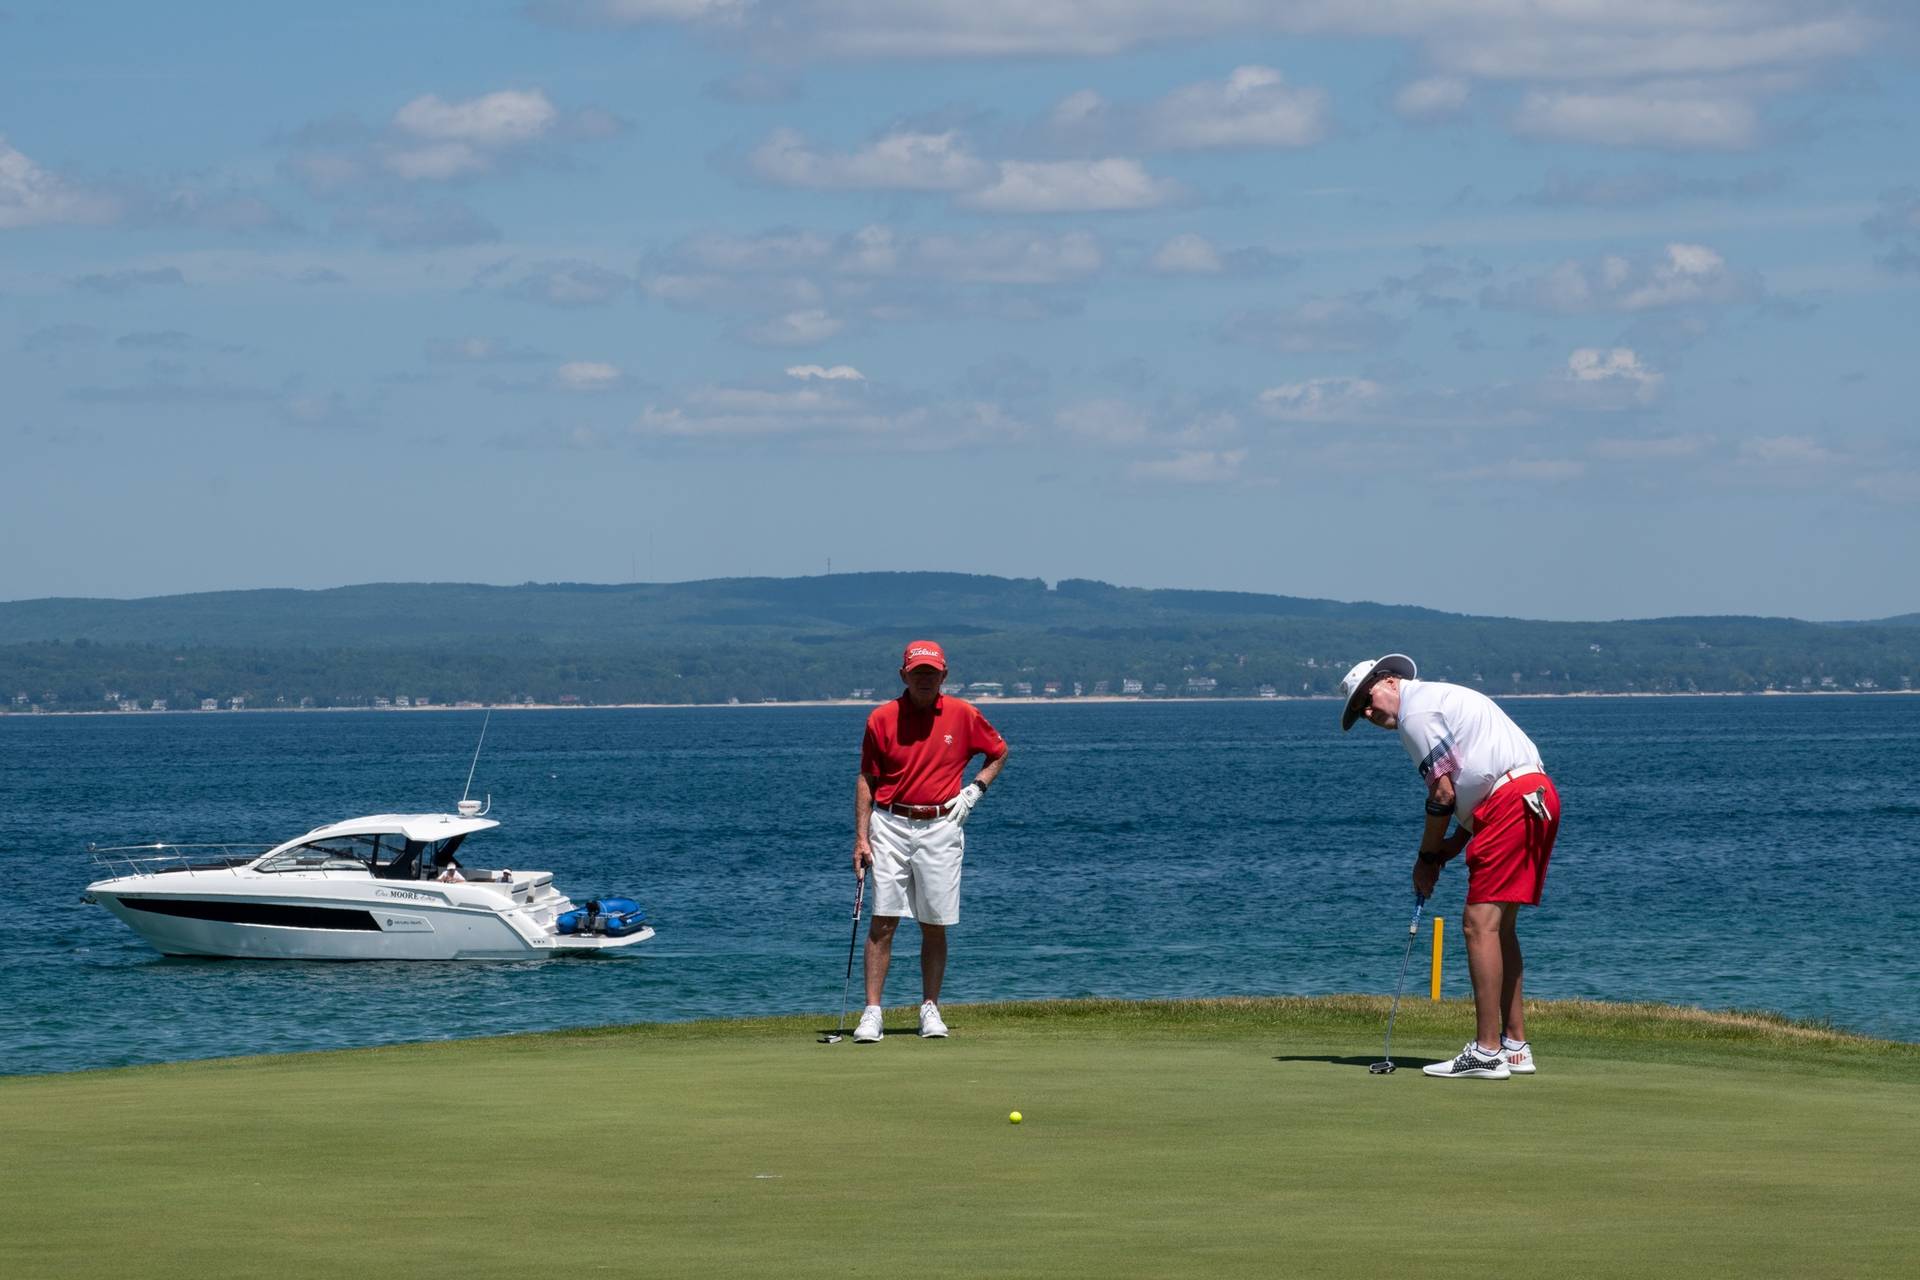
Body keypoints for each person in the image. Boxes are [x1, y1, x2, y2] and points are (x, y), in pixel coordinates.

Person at [1339, 654, 1562, 1080]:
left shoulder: (1416, 712)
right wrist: (1451, 846)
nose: (1368, 713)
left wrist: (1425, 859)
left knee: (1478, 924)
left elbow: (1442, 794)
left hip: (1510, 804)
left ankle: (1486, 1051)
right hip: (1536, 797)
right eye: (1360, 712)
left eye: (1367, 700)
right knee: (1500, 926)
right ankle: (1514, 1047)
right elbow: (1474, 784)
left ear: (1388, 681)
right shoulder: (1436, 699)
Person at [850, 639, 1009, 1043]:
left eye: (932, 673)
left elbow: (998, 752)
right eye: (918, 672)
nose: (925, 679)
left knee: (934, 923)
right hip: (890, 822)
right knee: (883, 921)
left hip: (942, 824)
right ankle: (872, 1013)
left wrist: (975, 790)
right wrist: (861, 838)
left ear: (944, 676)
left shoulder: (963, 714)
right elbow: (867, 778)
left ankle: (930, 1008)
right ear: (903, 675)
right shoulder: (881, 719)